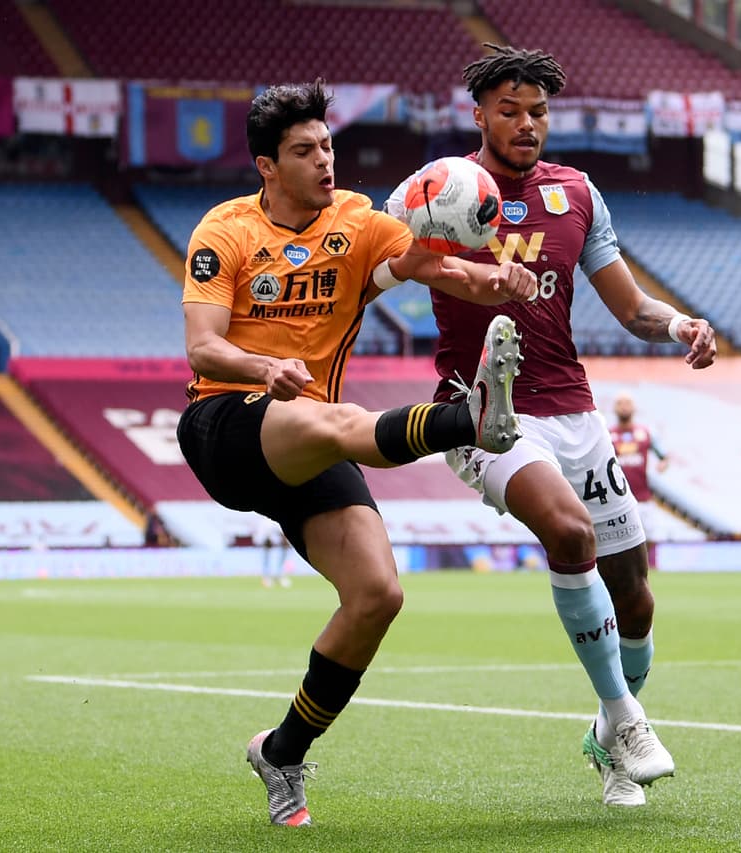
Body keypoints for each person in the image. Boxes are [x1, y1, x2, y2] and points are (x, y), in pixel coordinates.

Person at [175, 80, 537, 828]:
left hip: (310, 428)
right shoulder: (225, 230)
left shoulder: (358, 221)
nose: (324, 160)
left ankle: (282, 750)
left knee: (378, 595)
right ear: (267, 166)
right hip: (226, 422)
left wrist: (498, 280)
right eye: (305, 151)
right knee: (330, 417)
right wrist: (260, 367)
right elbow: (203, 343)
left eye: (328, 145)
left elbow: (434, 268)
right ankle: (465, 421)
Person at [390, 45, 718, 807]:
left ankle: (606, 738)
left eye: (538, 111)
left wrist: (680, 325)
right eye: (510, 110)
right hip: (483, 412)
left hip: (574, 409)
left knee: (635, 595)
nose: (527, 123)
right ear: (479, 115)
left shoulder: (577, 194)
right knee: (569, 536)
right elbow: (397, 258)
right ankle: (628, 719)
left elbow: (632, 308)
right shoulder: (444, 192)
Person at [610, 392, 671, 567]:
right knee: (617, 539)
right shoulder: (608, 435)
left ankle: (640, 565)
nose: (624, 406)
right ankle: (627, 567)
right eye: (620, 403)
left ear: (634, 407)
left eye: (627, 402)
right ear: (614, 408)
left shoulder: (645, 433)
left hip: (643, 497)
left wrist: (663, 464)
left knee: (650, 537)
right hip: (618, 499)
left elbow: (664, 456)